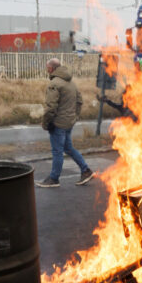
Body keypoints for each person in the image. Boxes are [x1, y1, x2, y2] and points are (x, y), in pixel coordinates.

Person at [36, 58, 93, 188]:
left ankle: (54, 179)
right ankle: (86, 170)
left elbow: (50, 108)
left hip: (58, 124)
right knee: (68, 148)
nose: (46, 70)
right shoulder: (71, 83)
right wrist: (75, 117)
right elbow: (79, 101)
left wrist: (45, 124)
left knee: (57, 151)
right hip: (69, 123)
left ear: (51, 68)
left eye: (47, 67)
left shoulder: (54, 84)